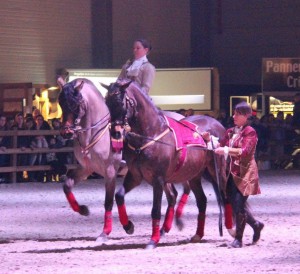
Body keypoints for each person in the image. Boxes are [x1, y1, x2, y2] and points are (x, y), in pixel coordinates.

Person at [214, 102, 264, 248]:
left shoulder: (250, 132)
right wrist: (207, 139)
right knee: (236, 205)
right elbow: (220, 144)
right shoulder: (231, 131)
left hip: (246, 173)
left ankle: (239, 239)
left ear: (246, 116)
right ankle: (255, 225)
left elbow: (244, 151)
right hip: (232, 172)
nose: (233, 116)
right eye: (234, 113)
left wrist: (225, 150)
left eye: (237, 114)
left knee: (239, 205)